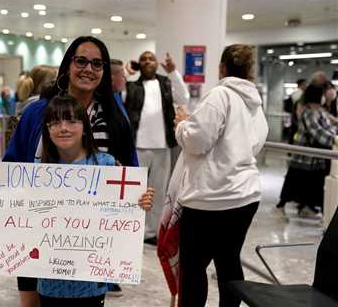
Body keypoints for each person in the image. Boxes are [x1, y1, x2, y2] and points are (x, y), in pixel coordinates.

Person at [0, 36, 138, 307]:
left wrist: (135, 201)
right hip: (35, 231)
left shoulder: (115, 117)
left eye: (97, 63)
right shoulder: (37, 112)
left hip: (89, 241)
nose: (88, 69)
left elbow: (129, 173)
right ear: (67, 65)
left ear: (103, 72)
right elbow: (13, 166)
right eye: (81, 60)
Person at [170, 44, 268, 307]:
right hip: (245, 196)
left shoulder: (219, 95)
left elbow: (197, 142)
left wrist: (181, 126)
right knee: (229, 262)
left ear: (222, 67)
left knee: (193, 268)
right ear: (249, 70)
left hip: (210, 198)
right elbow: (257, 140)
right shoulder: (254, 102)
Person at [124, 51, 189, 245]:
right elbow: (116, 92)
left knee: (158, 191)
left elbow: (183, 97)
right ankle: (133, 228)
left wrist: (174, 72)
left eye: (150, 58)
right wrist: (127, 72)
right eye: (143, 59)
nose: (146, 61)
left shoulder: (166, 83)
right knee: (136, 191)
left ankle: (151, 232)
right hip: (137, 145)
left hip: (162, 146)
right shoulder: (131, 85)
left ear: (156, 63)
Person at [278, 83, 336, 218]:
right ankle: (281, 206)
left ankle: (307, 206)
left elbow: (329, 127)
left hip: (315, 158)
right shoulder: (308, 112)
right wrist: (334, 139)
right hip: (303, 156)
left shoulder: (320, 111)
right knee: (294, 181)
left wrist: (333, 135)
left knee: (313, 183)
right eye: (322, 93)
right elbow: (317, 132)